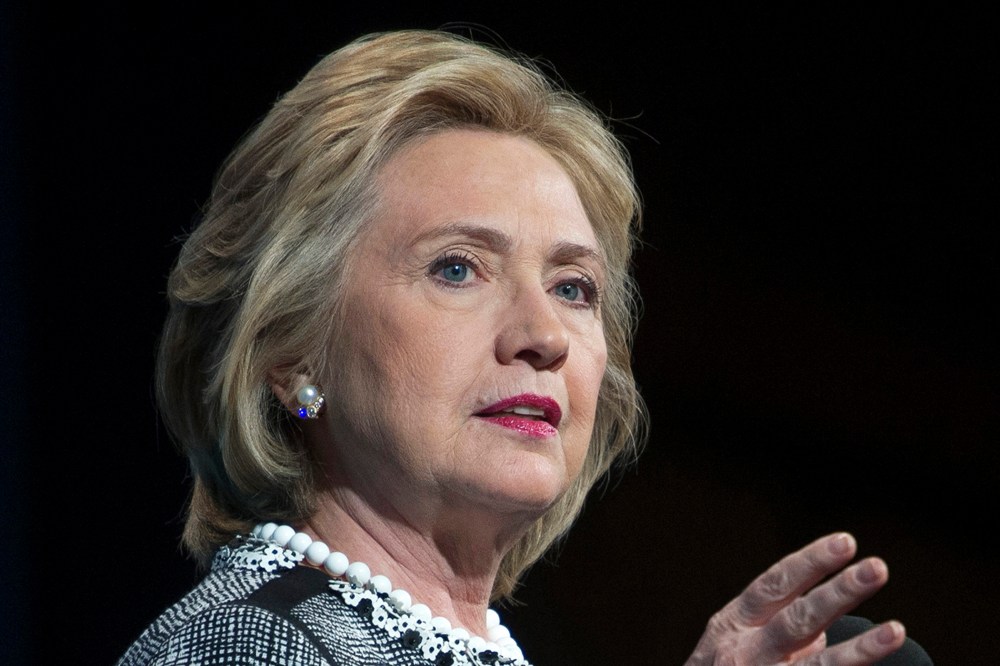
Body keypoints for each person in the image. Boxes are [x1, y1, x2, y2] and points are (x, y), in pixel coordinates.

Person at [117, 29, 927, 665]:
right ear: (291, 347)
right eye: (458, 269)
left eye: (573, 287)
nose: (543, 337)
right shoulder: (248, 648)